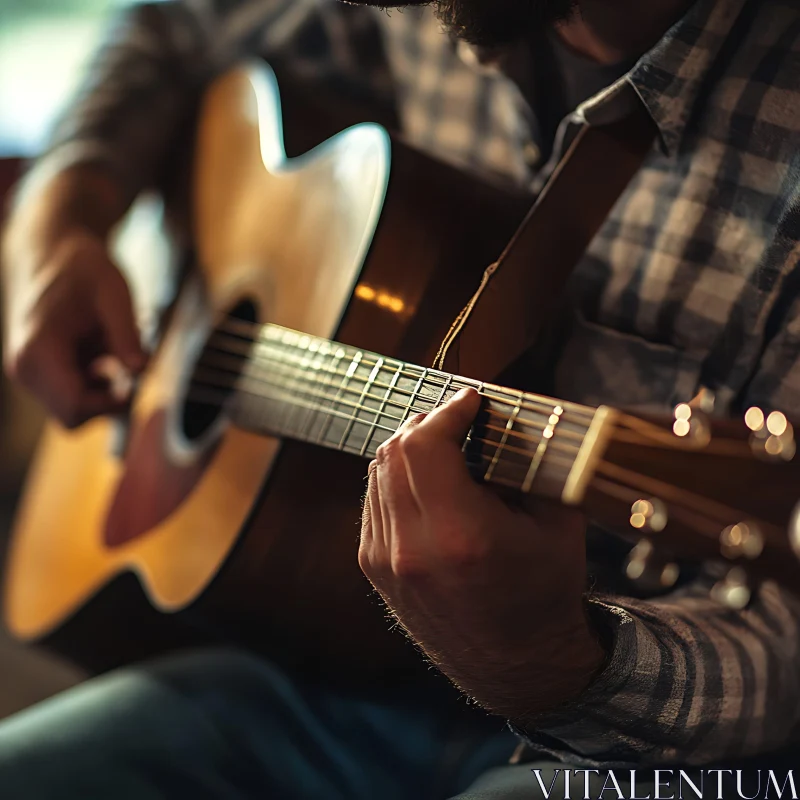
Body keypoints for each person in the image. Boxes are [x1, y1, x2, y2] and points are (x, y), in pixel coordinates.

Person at [1, 0, 800, 797]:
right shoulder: (411, 12)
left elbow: (784, 648)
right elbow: (175, 24)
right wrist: (57, 220)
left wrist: (549, 662)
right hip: (326, 661)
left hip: (618, 747)